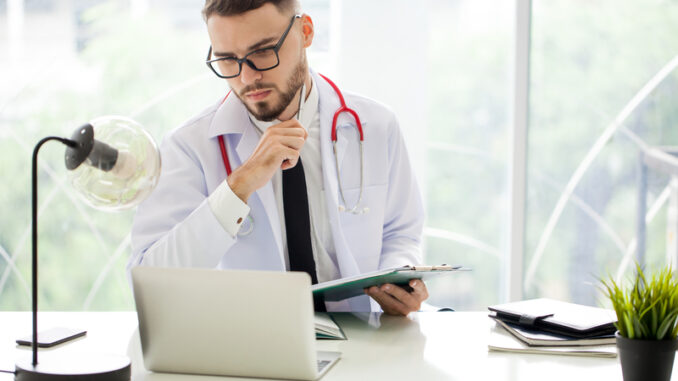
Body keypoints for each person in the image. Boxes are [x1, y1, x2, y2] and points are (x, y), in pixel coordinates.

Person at [128, 0, 427, 315]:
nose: (246, 78)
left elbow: (400, 232)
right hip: (254, 346)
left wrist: (400, 280)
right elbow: (148, 284)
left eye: (262, 52)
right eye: (228, 59)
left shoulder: (376, 125)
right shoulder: (188, 146)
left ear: (306, 31)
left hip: (368, 338)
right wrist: (237, 187)